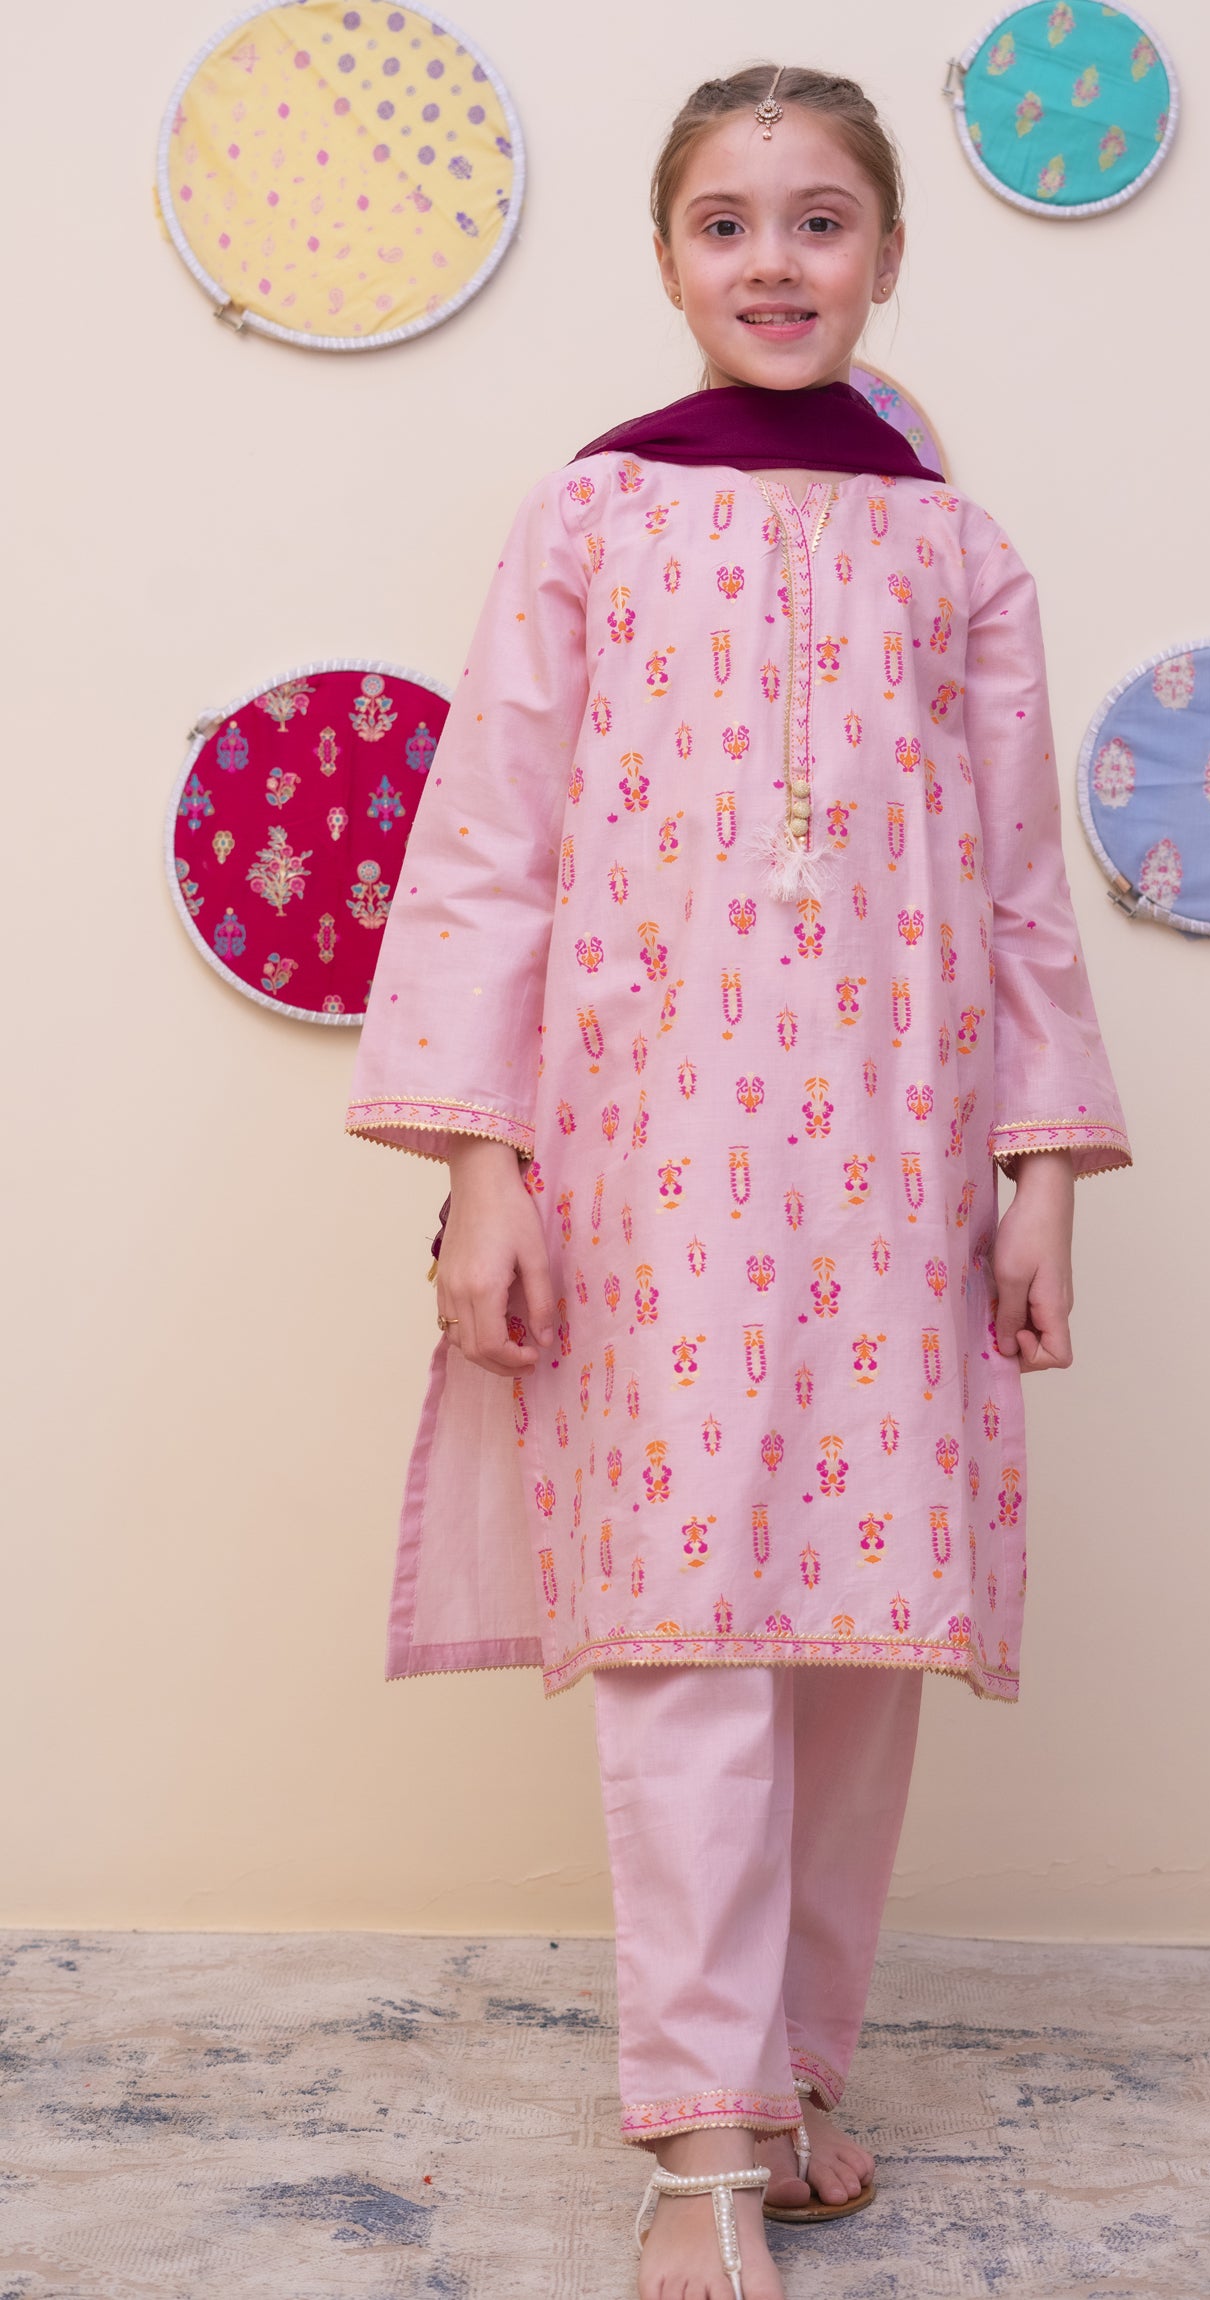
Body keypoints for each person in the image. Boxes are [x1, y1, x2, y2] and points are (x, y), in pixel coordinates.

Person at [346, 61, 1131, 2300]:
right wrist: (484, 1166)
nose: (772, 263)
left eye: (816, 220)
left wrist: (1043, 1171)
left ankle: (790, 2074)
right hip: (649, 1169)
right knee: (685, 1627)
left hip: (894, 1167)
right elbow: (490, 854)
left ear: (885, 250)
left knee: (861, 1647)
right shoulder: (592, 517)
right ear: (668, 257)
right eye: (725, 222)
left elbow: (1018, 888)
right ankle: (695, 2137)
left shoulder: (956, 548)